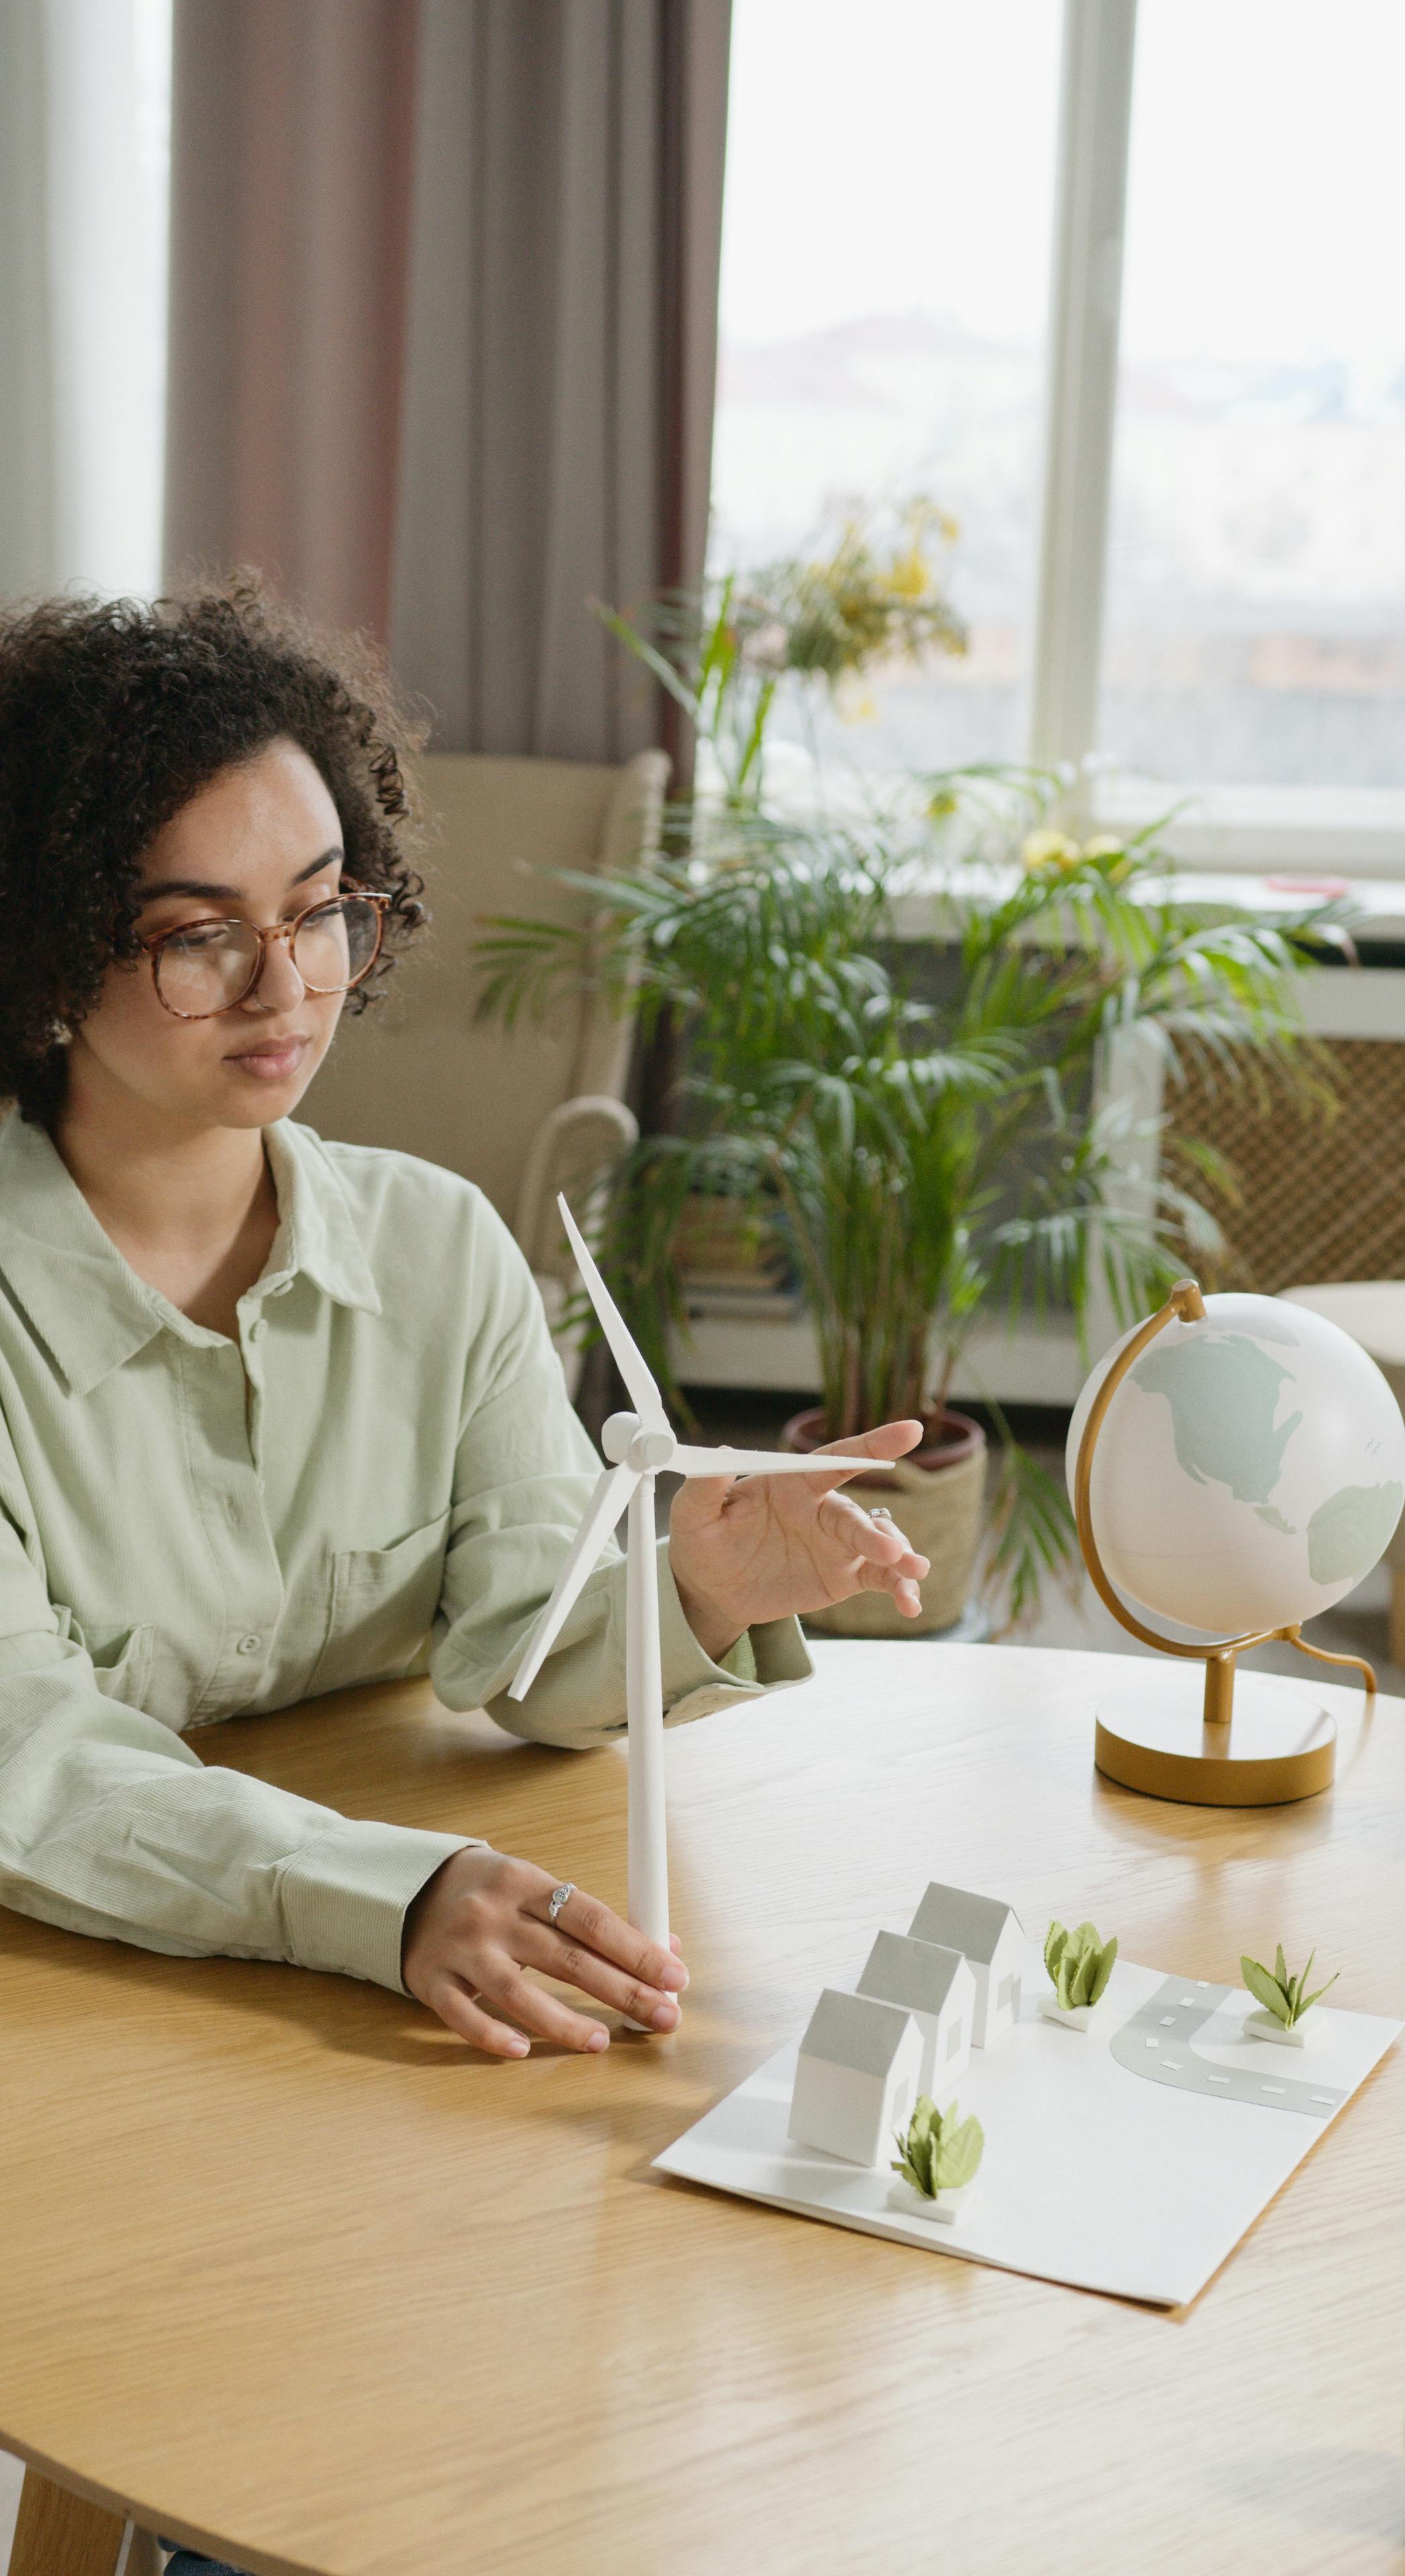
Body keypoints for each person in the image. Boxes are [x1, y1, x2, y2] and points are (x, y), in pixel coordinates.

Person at [0, 581, 930, 2076]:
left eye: (319, 912)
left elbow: (522, 1641)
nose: (285, 986)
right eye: (199, 936)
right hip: (63, 2004)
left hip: (373, 2011)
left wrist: (694, 1584)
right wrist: (389, 1888)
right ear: (45, 945)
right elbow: (25, 1759)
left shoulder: (438, 1246)